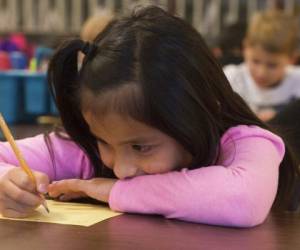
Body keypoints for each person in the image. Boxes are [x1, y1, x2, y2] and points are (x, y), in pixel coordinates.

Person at [0, 6, 299, 227]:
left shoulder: (244, 144)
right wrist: (7, 182)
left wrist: (115, 191)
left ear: (191, 117)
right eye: (103, 140)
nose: (121, 169)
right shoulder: (89, 148)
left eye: (141, 147)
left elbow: (244, 201)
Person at [223, 10, 300, 121]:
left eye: (272, 65)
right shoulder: (231, 78)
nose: (261, 72)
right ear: (245, 48)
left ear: (291, 59)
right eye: (255, 61)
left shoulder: (297, 81)